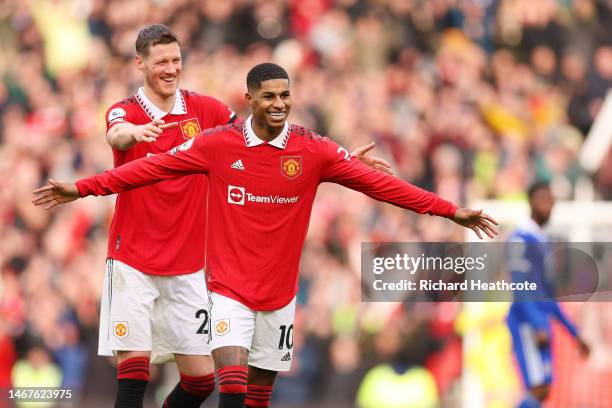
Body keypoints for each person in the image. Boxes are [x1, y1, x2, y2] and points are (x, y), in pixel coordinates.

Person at [33, 62, 498, 408]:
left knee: (258, 396)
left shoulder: (313, 150)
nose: (278, 104)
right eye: (268, 96)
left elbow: (384, 187)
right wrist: (83, 188)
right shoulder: (218, 144)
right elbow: (147, 170)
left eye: (285, 95)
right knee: (229, 385)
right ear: (250, 99)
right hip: (226, 291)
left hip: (278, 295)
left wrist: (449, 210)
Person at [94, 25, 390, 408]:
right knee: (134, 372)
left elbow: (265, 131)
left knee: (201, 382)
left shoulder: (206, 110)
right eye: (160, 61)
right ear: (140, 64)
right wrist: (133, 133)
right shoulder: (125, 111)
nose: (170, 69)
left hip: (188, 266)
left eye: (175, 60)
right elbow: (115, 134)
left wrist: (341, 158)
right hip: (132, 258)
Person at [505, 181, 590, 408]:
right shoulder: (520, 239)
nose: (550, 205)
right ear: (532, 201)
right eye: (544, 199)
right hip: (527, 323)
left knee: (544, 389)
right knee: (537, 388)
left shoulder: (542, 241)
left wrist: (574, 334)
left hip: (540, 323)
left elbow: (548, 296)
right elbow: (520, 286)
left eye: (552, 201)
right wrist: (536, 324)